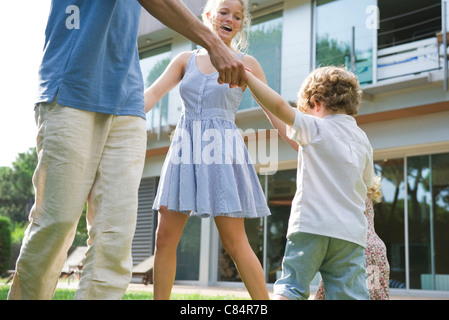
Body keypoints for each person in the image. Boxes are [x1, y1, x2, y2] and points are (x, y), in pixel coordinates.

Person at [8, 0, 247, 300]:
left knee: (115, 237)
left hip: (127, 102)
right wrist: (213, 42)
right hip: (72, 88)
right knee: (56, 226)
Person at [147, 0, 270, 300]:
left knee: (234, 240)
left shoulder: (247, 63)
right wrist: (119, 118)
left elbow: (274, 111)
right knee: (164, 238)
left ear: (242, 24)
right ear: (207, 16)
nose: (230, 19)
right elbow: (151, 94)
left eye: (237, 16)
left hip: (222, 152)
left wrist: (302, 138)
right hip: (183, 151)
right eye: (224, 12)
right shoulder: (183, 60)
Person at [245, 65, 374, 300]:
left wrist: (248, 78)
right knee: (350, 296)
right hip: (350, 235)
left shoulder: (314, 126)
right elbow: (368, 185)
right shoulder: (363, 140)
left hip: (311, 225)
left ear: (315, 103)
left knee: (292, 288)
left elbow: (279, 108)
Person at [315, 176, 390, 300]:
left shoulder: (346, 191)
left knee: (335, 287)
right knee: (374, 291)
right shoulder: (366, 189)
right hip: (375, 248)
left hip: (355, 245)